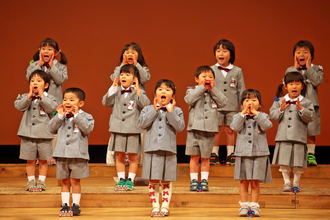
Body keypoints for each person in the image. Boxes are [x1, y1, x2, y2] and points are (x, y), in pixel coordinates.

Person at [138, 79, 185, 217]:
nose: (163, 91)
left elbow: (180, 127)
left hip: (168, 150)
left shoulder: (177, 110)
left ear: (173, 96)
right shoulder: (148, 109)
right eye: (160, 89)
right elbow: (142, 124)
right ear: (155, 94)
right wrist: (155, 109)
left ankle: (165, 206)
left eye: (167, 89)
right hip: (151, 149)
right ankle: (155, 206)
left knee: (166, 179)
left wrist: (170, 112)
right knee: (153, 179)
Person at [102, 64, 150, 191]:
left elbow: (145, 105)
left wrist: (139, 92)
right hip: (118, 128)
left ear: (134, 78)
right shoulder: (115, 90)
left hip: (133, 128)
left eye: (127, 74)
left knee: (134, 156)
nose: (123, 76)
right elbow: (105, 102)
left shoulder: (138, 91)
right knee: (119, 155)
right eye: (122, 74)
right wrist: (112, 88)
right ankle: (121, 179)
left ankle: (131, 180)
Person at [48, 88, 94, 216]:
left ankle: (76, 205)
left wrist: (77, 115)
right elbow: (50, 128)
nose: (67, 102)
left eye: (71, 99)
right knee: (65, 181)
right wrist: (59, 116)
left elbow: (87, 129)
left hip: (78, 154)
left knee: (75, 181)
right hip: (62, 154)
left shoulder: (86, 116)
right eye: (65, 99)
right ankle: (64, 205)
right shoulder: (60, 116)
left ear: (81, 103)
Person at [230, 89, 273, 217]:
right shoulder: (238, 117)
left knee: (255, 181)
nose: (250, 103)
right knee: (243, 181)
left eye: (254, 100)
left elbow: (267, 125)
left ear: (259, 104)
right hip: (243, 153)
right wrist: (243, 114)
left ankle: (254, 206)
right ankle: (243, 205)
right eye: (247, 100)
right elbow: (234, 127)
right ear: (242, 104)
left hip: (259, 153)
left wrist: (256, 114)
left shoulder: (263, 116)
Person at [185, 66, 228, 191]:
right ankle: (193, 180)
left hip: (209, 130)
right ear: (196, 79)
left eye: (210, 77)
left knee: (205, 157)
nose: (207, 79)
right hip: (194, 129)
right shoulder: (191, 91)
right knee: (194, 157)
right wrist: (202, 87)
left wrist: (212, 89)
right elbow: (189, 99)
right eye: (204, 77)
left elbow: (223, 102)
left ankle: (204, 181)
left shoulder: (215, 92)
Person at [107, 42, 150, 166]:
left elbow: (145, 78)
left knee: (135, 138)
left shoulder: (143, 68)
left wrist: (136, 65)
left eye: (133, 52)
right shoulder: (119, 68)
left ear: (139, 56)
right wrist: (122, 65)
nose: (129, 54)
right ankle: (118, 160)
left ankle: (135, 161)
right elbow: (114, 78)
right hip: (121, 105)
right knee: (119, 138)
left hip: (135, 106)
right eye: (127, 52)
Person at [270, 71, 314, 193]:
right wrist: (280, 109)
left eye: (297, 83)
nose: (294, 86)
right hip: (283, 136)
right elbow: (272, 115)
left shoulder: (307, 102)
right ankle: (286, 182)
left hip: (299, 137)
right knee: (284, 161)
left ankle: (296, 182)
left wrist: (301, 108)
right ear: (285, 86)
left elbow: (310, 116)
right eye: (291, 84)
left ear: (302, 86)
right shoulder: (279, 101)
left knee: (298, 161)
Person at [27, 38, 68, 165]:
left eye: (50, 49)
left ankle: (52, 155)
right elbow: (29, 77)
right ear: (40, 51)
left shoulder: (61, 66)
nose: (46, 51)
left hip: (54, 103)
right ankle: (40, 156)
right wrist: (38, 65)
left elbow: (61, 79)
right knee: (40, 127)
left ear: (56, 52)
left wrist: (51, 66)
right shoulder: (34, 65)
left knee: (54, 128)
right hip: (37, 102)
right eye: (43, 48)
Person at [15, 70, 57, 192]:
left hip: (44, 134)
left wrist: (42, 95)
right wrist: (28, 96)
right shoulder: (25, 96)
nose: (35, 83)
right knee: (30, 160)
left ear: (46, 85)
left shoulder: (50, 98)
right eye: (33, 81)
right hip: (28, 133)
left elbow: (51, 108)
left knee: (43, 160)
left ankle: (42, 181)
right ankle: (31, 181)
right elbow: (18, 106)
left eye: (39, 81)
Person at [285, 40, 323, 166]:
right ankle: (297, 155)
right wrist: (295, 69)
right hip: (294, 106)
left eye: (305, 52)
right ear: (294, 55)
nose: (301, 54)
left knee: (311, 131)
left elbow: (317, 81)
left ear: (311, 55)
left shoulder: (316, 69)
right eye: (298, 52)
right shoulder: (291, 70)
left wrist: (308, 68)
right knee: (296, 130)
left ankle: (311, 155)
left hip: (311, 106)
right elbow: (285, 82)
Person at [210, 39, 246, 165]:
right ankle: (214, 153)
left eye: (224, 51)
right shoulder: (211, 70)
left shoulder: (237, 71)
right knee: (216, 129)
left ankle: (231, 153)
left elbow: (241, 89)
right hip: (215, 106)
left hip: (232, 106)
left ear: (231, 55)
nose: (221, 53)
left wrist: (243, 107)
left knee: (230, 130)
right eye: (218, 51)